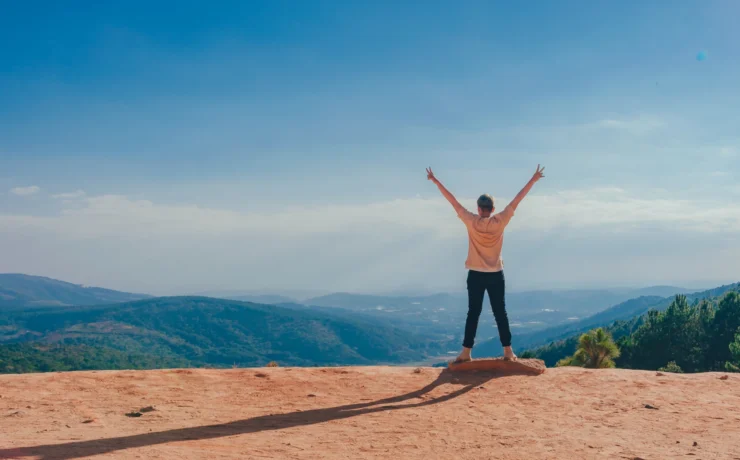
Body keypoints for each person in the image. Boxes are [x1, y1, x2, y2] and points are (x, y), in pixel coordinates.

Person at [426, 165, 545, 363]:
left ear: (479, 209)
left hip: (475, 274)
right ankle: (508, 351)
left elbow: (452, 201)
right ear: (493, 209)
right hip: (496, 274)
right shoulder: (501, 220)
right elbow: (517, 199)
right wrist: (533, 179)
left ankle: (466, 352)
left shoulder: (471, 221)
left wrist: (436, 181)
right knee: (500, 312)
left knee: (473, 313)